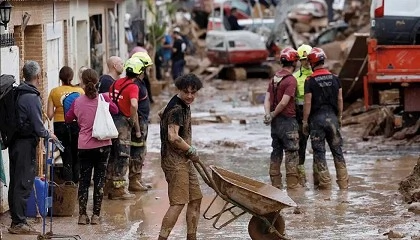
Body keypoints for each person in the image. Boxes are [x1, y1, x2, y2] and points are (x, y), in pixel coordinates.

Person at [8, 61, 57, 235]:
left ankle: (17, 220)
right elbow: (37, 126)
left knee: (15, 181)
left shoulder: (18, 92)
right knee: (23, 182)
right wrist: (48, 134)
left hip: (15, 143)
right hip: (25, 144)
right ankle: (19, 223)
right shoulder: (31, 97)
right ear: (37, 76)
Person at [65, 68, 118, 225]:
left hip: (84, 146)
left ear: (82, 82)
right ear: (97, 82)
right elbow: (116, 110)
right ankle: (96, 216)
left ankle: (82, 215)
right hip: (103, 145)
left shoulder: (77, 101)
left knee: (84, 180)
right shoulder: (104, 99)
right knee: (100, 179)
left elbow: (68, 119)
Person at [158, 73, 203, 240]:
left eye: (193, 92)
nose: (190, 96)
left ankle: (192, 237)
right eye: (186, 92)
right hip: (175, 162)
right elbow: (173, 137)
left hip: (184, 159)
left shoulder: (180, 103)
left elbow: (160, 113)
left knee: (196, 198)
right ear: (180, 90)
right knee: (177, 203)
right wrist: (191, 150)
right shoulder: (177, 109)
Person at [303, 47, 349, 190]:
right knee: (337, 151)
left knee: (319, 153)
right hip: (333, 120)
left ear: (311, 63)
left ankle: (326, 186)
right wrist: (339, 116)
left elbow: (308, 102)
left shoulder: (309, 81)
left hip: (317, 121)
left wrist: (305, 121)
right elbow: (340, 99)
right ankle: (343, 184)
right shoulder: (335, 78)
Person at [263, 47, 301, 190]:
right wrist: (273, 114)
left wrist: (268, 114)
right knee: (291, 153)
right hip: (288, 122)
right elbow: (285, 102)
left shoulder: (274, 78)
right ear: (294, 62)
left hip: (275, 124)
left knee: (276, 151)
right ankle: (292, 189)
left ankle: (276, 188)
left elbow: (266, 99)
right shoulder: (291, 80)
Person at [106, 57, 143, 200]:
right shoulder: (133, 87)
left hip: (112, 121)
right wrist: (133, 120)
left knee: (112, 155)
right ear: (139, 73)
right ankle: (119, 190)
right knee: (122, 156)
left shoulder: (116, 83)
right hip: (123, 125)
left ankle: (107, 186)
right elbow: (134, 104)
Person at [47, 66, 84, 183]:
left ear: (60, 78)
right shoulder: (80, 91)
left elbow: (50, 115)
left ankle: (68, 184)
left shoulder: (54, 92)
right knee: (76, 155)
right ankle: (76, 185)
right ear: (72, 77)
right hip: (76, 125)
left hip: (60, 126)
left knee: (65, 155)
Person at [128, 51, 154, 191]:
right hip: (139, 122)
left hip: (142, 121)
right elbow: (133, 107)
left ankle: (137, 178)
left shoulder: (139, 83)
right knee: (138, 151)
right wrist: (137, 128)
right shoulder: (135, 85)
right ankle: (134, 180)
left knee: (141, 150)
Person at [293, 44, 313, 186]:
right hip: (300, 115)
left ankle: (319, 178)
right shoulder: (294, 78)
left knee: (318, 147)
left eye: (308, 59)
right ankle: (301, 177)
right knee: (301, 145)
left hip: (316, 113)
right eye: (303, 59)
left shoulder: (317, 75)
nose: (306, 62)